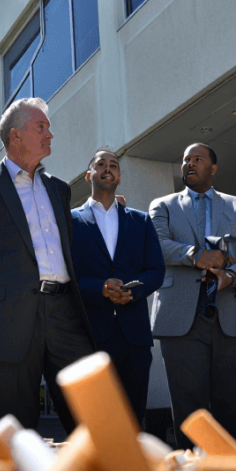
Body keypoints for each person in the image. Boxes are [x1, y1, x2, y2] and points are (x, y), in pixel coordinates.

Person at [0, 98, 95, 433]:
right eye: (41, 127)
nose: (50, 134)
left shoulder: (59, 189)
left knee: (87, 413)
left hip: (65, 314)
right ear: (15, 136)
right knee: (17, 426)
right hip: (9, 319)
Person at [149, 143, 236, 450]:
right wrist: (195, 255)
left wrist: (233, 275)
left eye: (197, 159)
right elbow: (156, 245)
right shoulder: (163, 205)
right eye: (186, 159)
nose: (189, 163)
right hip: (180, 317)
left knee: (231, 406)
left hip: (230, 311)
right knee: (188, 408)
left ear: (213, 168)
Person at [70, 149, 165, 425]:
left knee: (133, 419)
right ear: (89, 175)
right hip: (91, 334)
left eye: (113, 165)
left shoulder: (141, 220)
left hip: (133, 336)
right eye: (101, 164)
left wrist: (132, 292)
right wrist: (99, 288)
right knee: (94, 422)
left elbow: (157, 270)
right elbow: (68, 276)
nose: (108, 168)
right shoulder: (71, 222)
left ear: (120, 177)